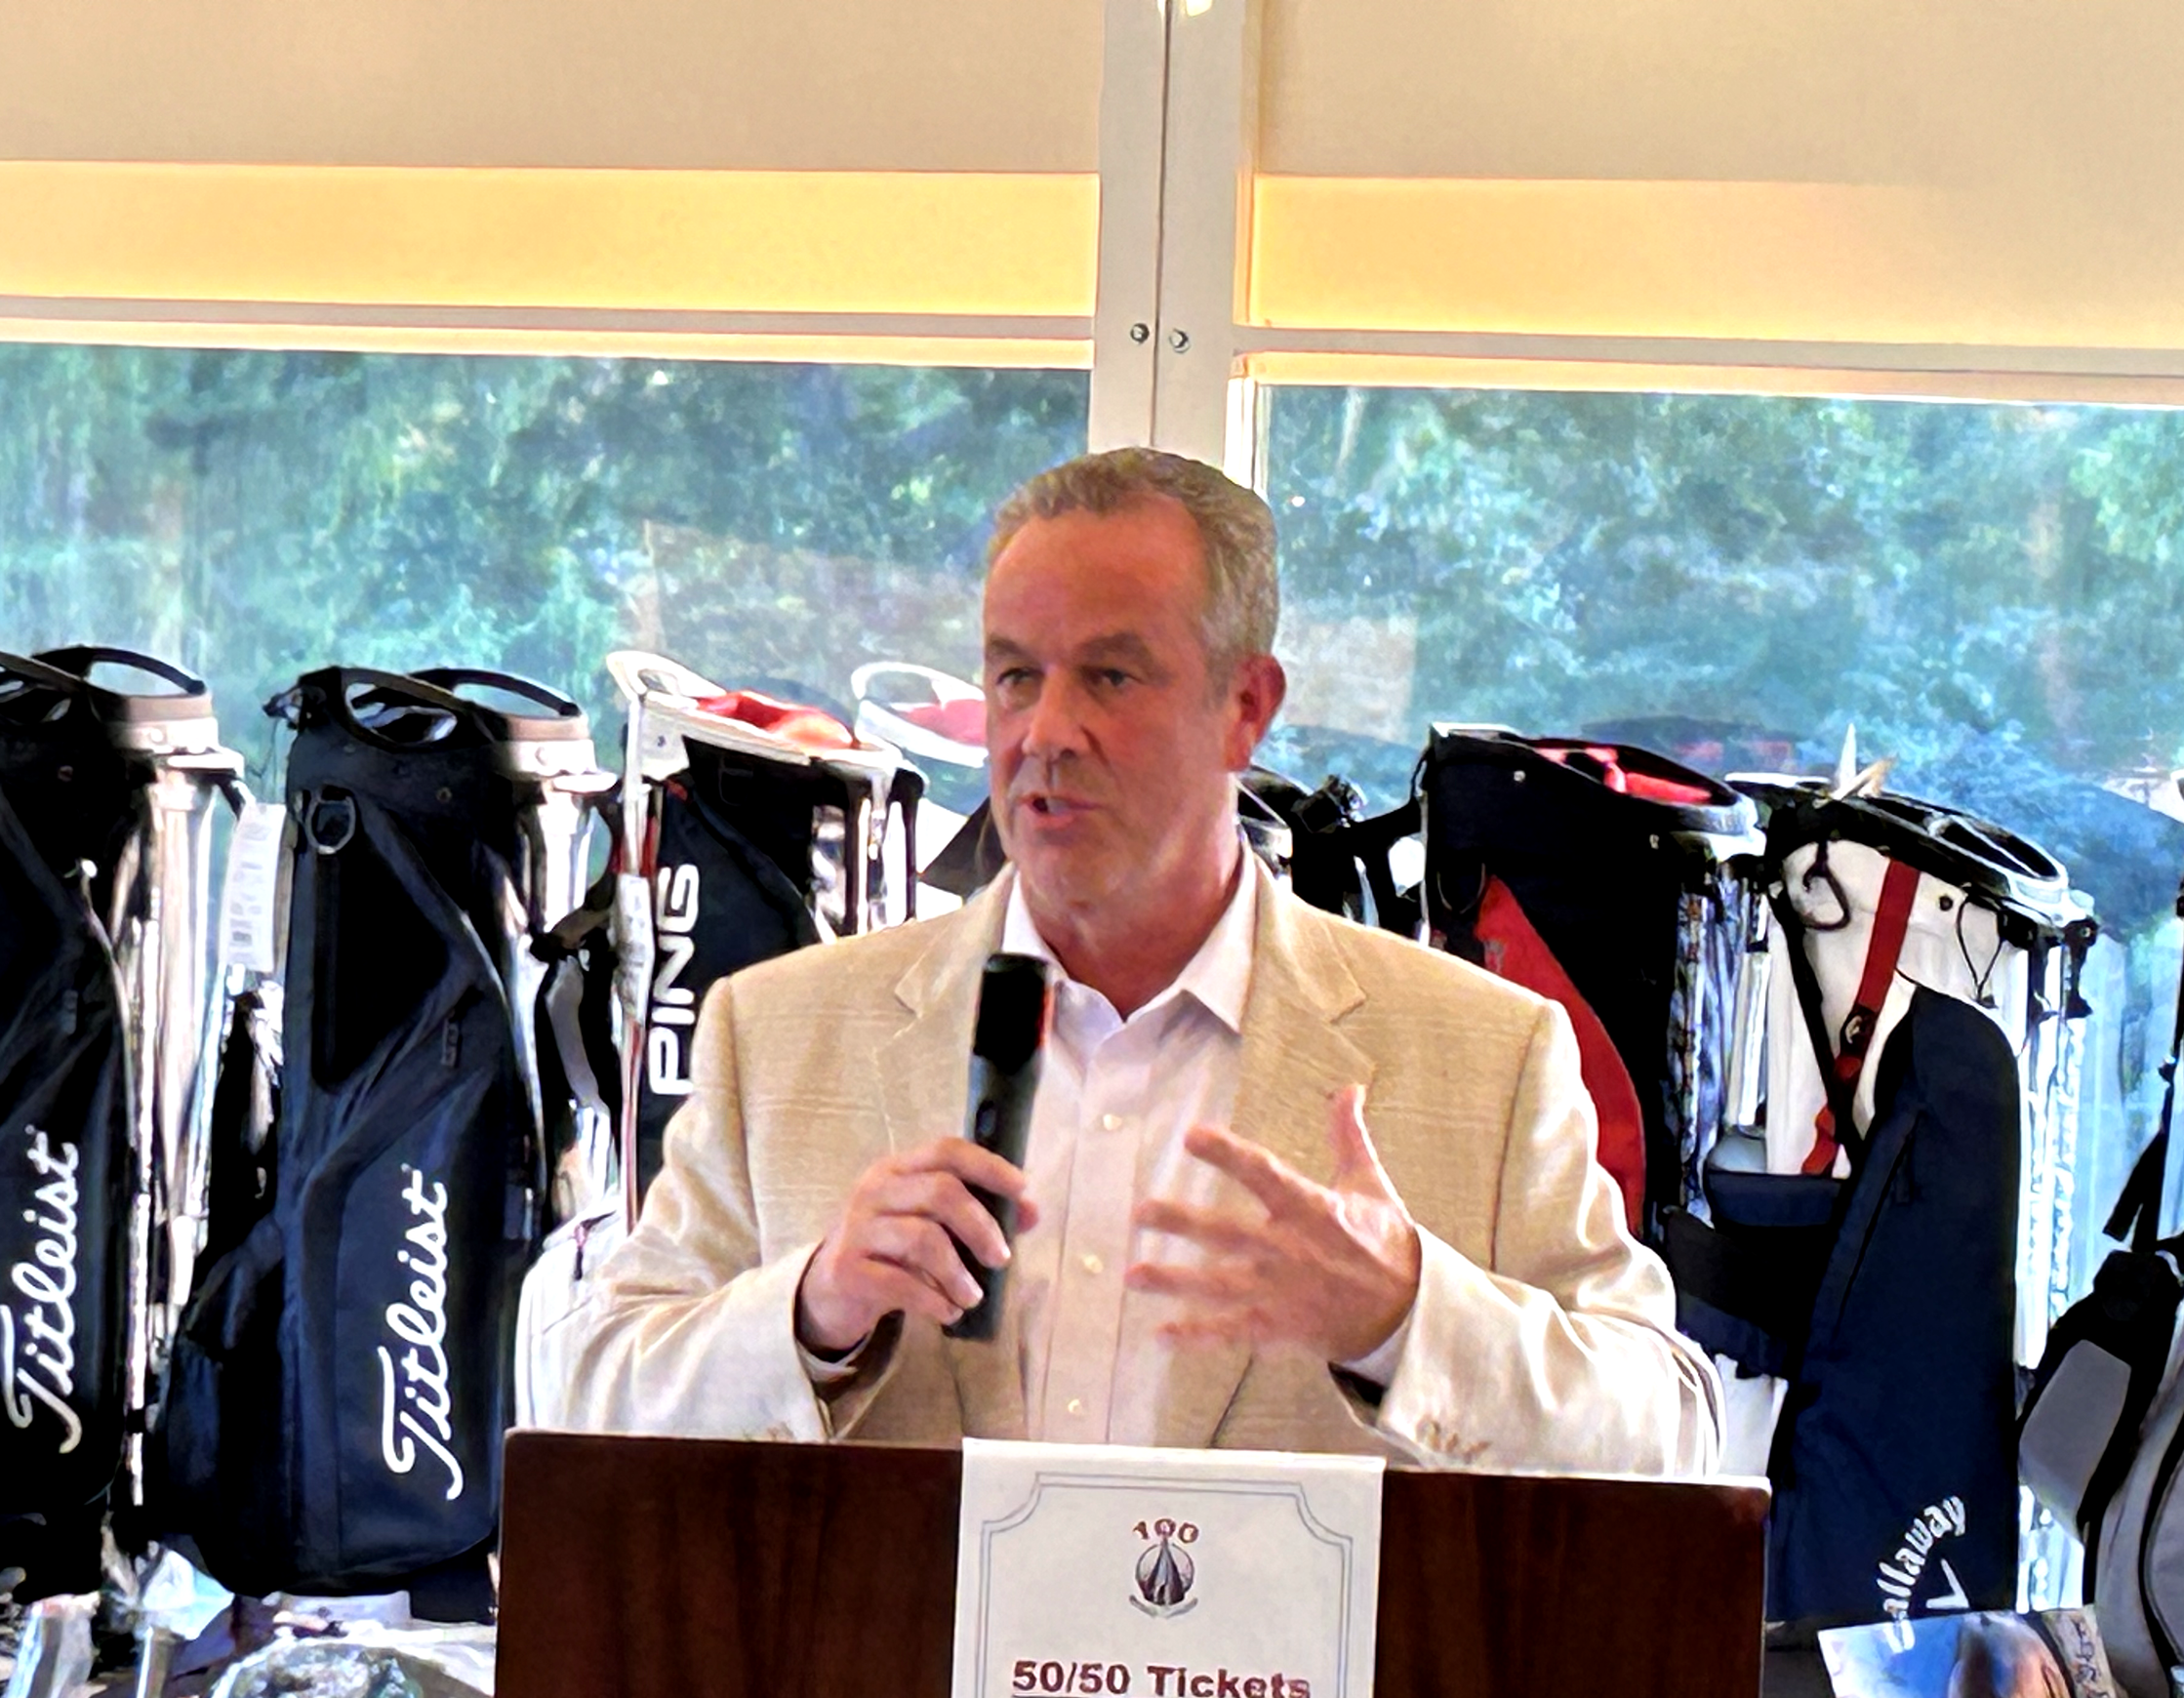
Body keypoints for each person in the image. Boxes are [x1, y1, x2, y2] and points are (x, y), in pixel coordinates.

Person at [554, 447, 1720, 1473]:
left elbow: (1668, 1440)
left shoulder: (1484, 1054)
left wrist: (1407, 1319)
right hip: (889, 1663)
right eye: (1015, 675)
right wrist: (812, 1313)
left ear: (1245, 706)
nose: (1045, 732)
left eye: (1109, 676)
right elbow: (593, 1403)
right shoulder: (780, 1033)